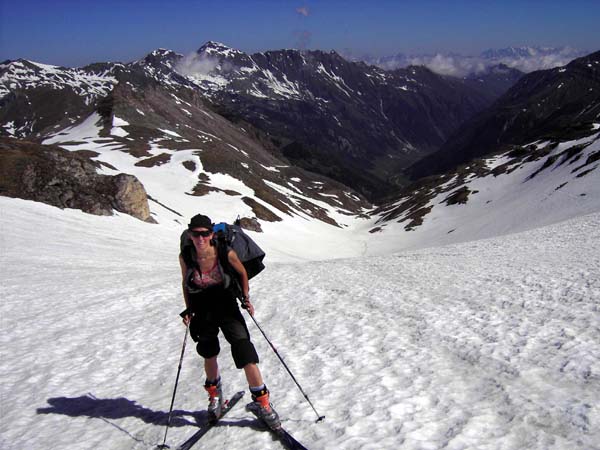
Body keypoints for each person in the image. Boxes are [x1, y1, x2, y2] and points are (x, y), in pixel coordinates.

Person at [179, 213, 280, 428]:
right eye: (196, 234)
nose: (200, 238)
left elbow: (242, 273)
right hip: (201, 306)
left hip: (226, 304)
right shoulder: (186, 255)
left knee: (244, 350)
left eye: (205, 233)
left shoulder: (224, 252)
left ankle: (263, 403)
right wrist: (188, 308)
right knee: (208, 351)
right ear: (190, 234)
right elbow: (185, 281)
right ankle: (215, 397)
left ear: (211, 234)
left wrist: (245, 297)